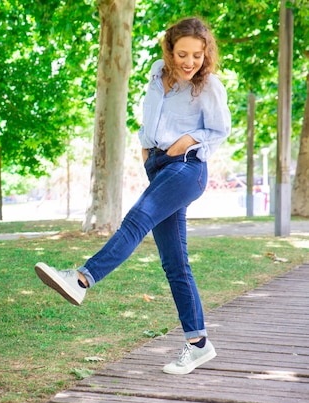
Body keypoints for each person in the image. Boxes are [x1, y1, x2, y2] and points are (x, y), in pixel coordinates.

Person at [35, 17, 231, 375]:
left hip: (187, 168)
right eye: (182, 54)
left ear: (206, 55)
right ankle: (199, 344)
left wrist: (189, 140)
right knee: (174, 263)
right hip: (158, 165)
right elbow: (149, 118)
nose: (190, 63)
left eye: (198, 56)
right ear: (169, 51)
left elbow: (220, 130)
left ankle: (80, 279)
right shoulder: (157, 74)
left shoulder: (209, 86)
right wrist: (146, 153)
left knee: (136, 220)